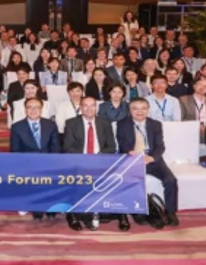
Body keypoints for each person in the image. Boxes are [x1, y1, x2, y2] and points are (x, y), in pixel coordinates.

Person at [118, 99, 181, 229]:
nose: (139, 111)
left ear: (148, 110)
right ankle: (138, 211)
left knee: (171, 180)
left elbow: (160, 146)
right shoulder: (122, 124)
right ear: (130, 110)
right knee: (132, 181)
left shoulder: (155, 124)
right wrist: (130, 152)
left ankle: (170, 211)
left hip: (152, 159)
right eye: (135, 108)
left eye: (143, 108)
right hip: (133, 159)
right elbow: (122, 144)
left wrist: (152, 158)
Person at [63, 97, 117, 231]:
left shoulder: (104, 123)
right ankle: (74, 214)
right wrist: (85, 158)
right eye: (85, 106)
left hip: (100, 160)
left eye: (92, 105)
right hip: (79, 160)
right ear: (81, 107)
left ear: (96, 107)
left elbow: (111, 147)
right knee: (79, 178)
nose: (89, 109)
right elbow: (68, 147)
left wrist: (99, 157)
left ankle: (98, 211)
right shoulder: (71, 123)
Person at [11, 98, 62, 220]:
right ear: (25, 109)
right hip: (28, 164)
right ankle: (36, 207)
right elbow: (15, 151)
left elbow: (55, 147)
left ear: (41, 109)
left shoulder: (50, 125)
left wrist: (51, 163)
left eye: (37, 107)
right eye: (30, 107)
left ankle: (50, 206)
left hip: (49, 162)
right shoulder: (17, 127)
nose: (33, 110)